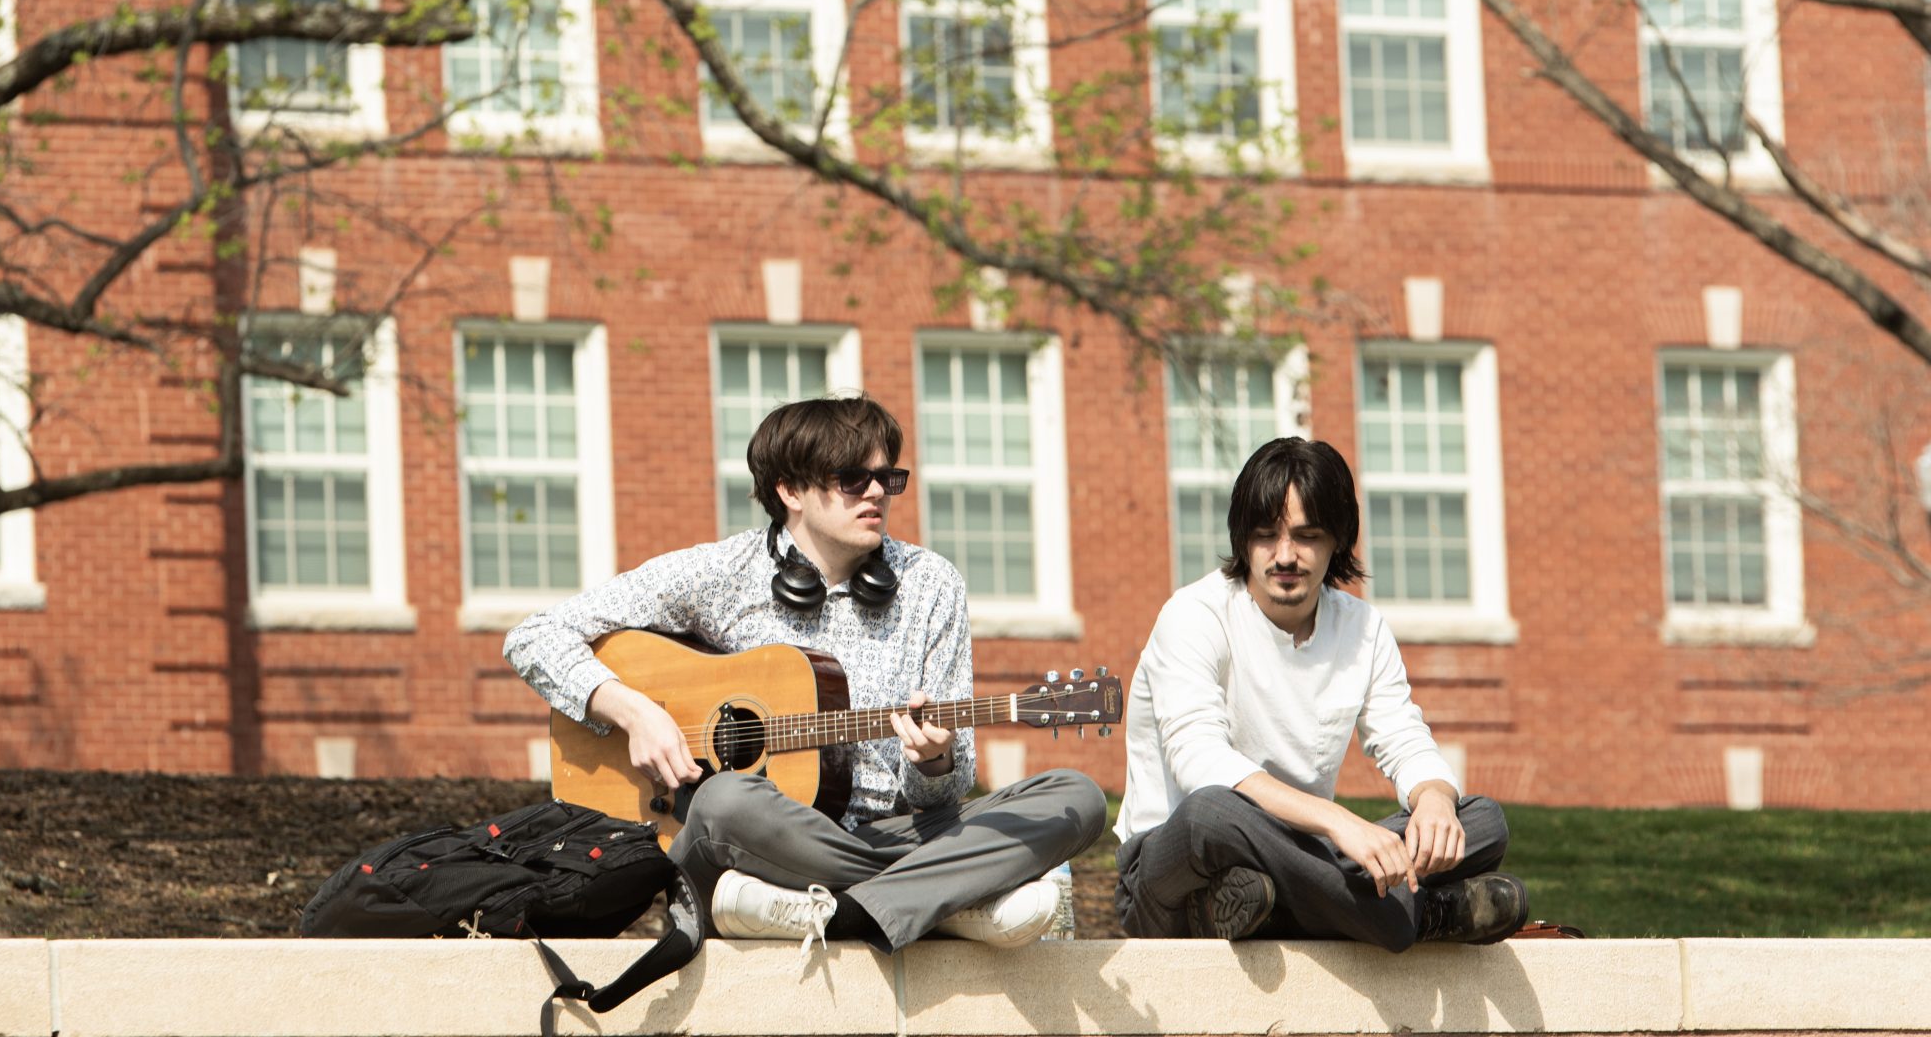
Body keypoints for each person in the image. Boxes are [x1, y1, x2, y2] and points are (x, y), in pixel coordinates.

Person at [506, 393, 1105, 953]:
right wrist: (635, 712)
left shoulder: (931, 584)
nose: (876, 493)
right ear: (790, 490)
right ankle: (942, 902)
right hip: (769, 838)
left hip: (896, 836)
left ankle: (841, 911)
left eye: (887, 478)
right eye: (853, 480)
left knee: (1074, 800)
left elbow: (946, 793)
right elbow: (533, 636)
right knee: (724, 800)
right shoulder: (722, 573)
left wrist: (933, 761)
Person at [1114, 435, 1528, 947]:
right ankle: (1417, 914)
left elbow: (1404, 737)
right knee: (1209, 813)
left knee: (1482, 821)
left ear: (1338, 541)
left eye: (1306, 536)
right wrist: (1338, 825)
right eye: (1267, 535)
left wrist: (1435, 802)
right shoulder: (1194, 615)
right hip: (1173, 871)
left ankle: (1273, 911)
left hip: (1283, 867)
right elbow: (1199, 762)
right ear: (1243, 540)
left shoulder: (1363, 628)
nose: (1284, 556)